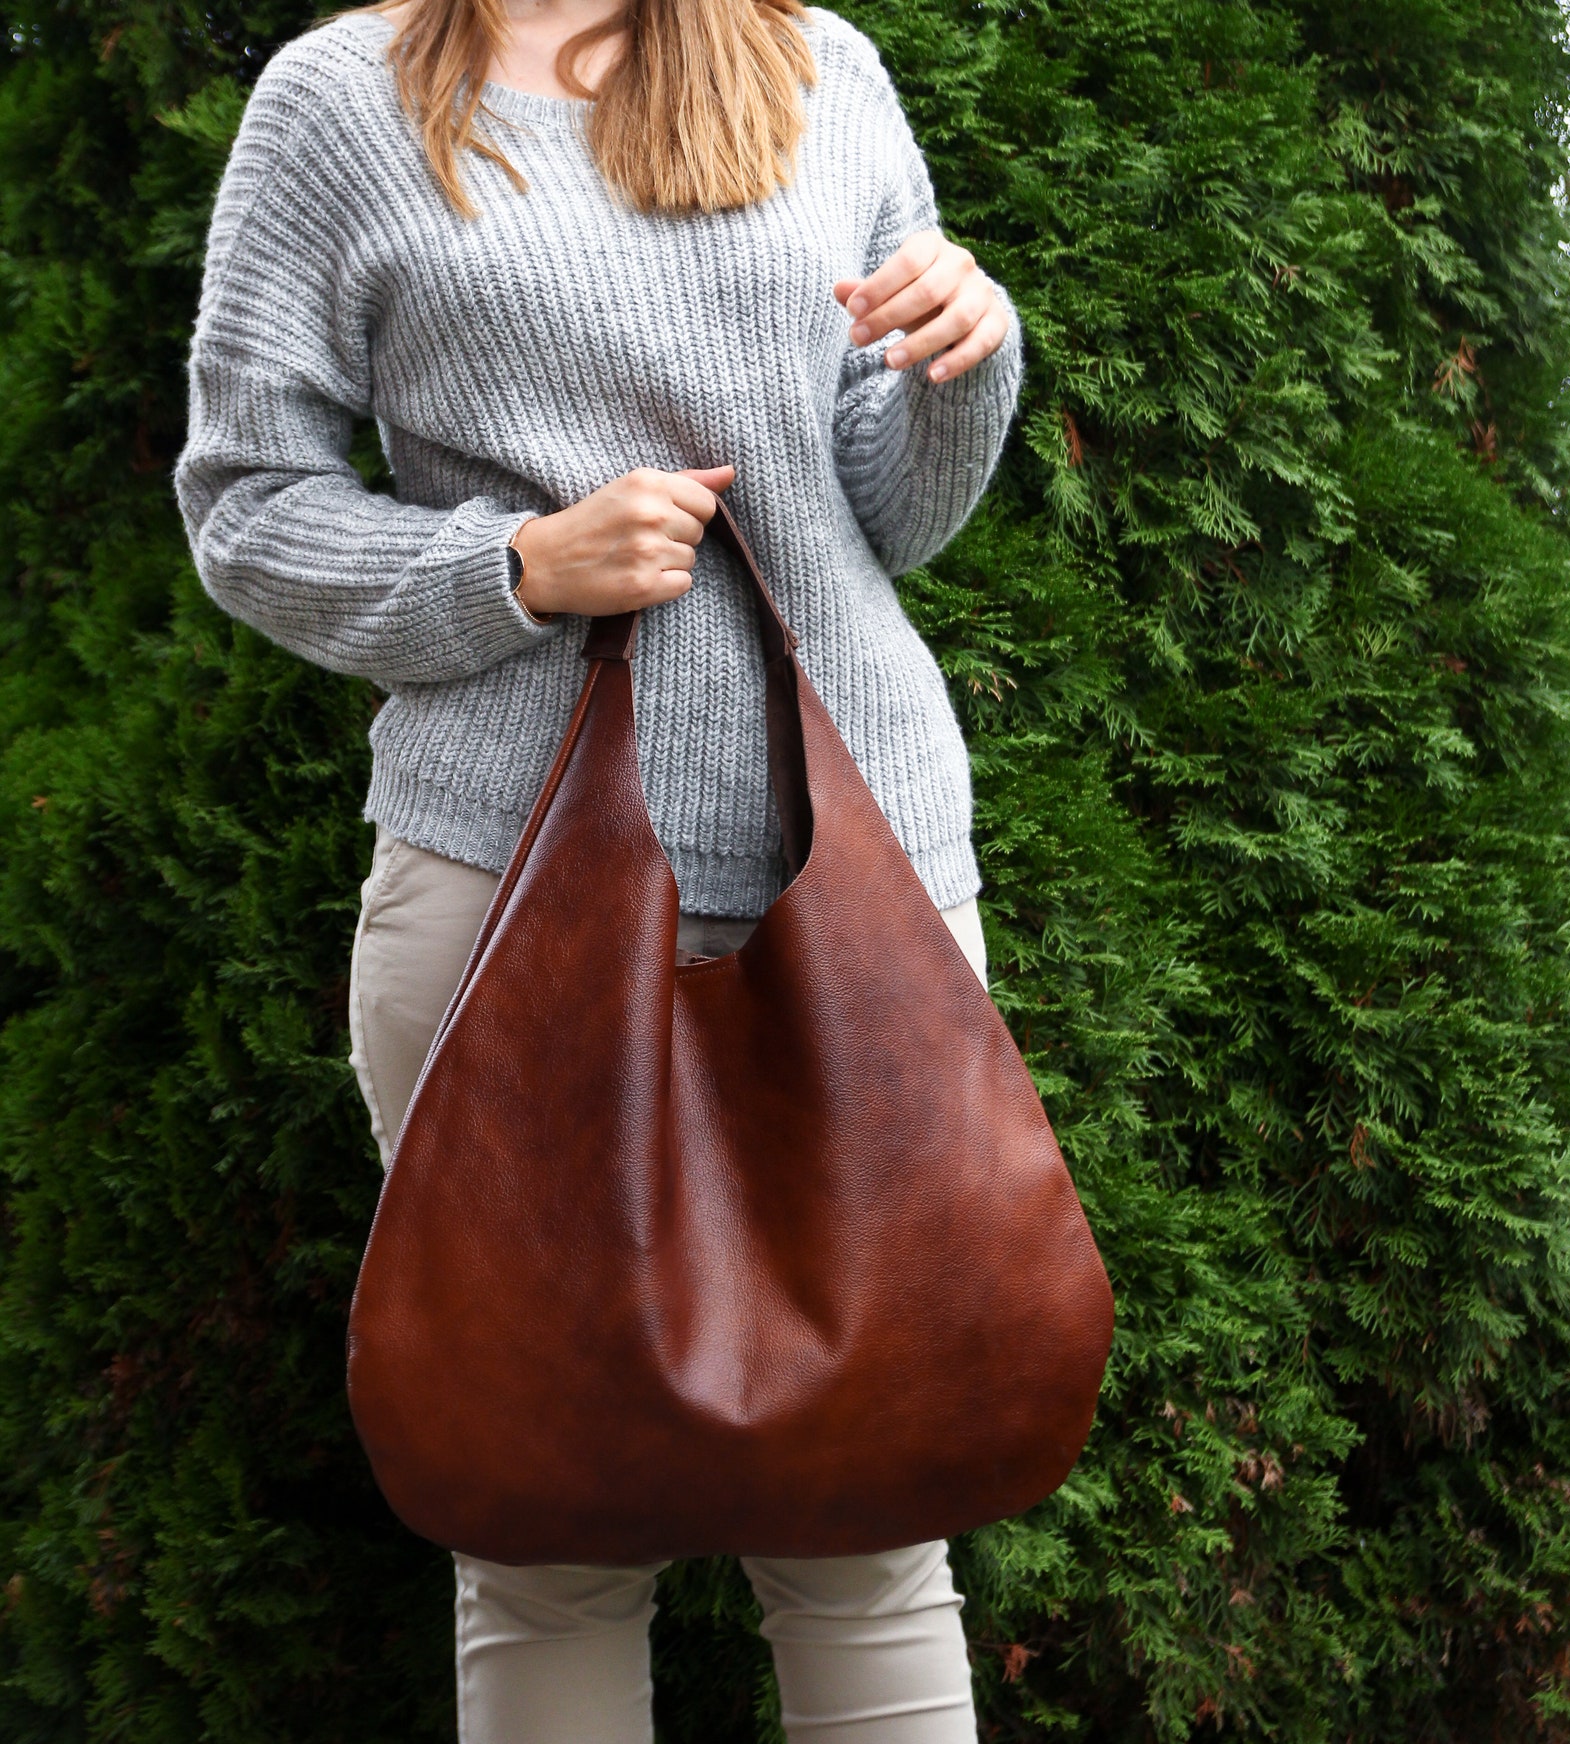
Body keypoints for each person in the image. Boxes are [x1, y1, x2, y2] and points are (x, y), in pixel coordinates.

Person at [174, 0, 1022, 1732]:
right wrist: (521, 568)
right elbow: (247, 506)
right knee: (542, 1524)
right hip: (502, 895)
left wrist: (963, 365)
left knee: (874, 1519)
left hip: (862, 875)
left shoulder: (813, 64)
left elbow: (885, 511)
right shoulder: (340, 102)